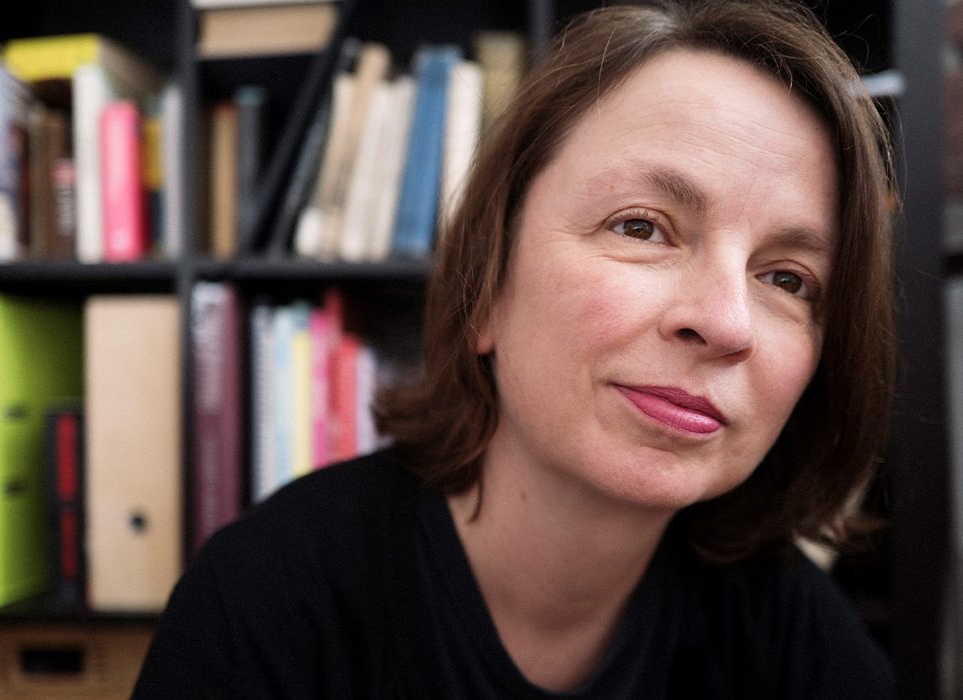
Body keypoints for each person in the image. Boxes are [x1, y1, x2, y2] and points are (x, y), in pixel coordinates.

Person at [133, 0, 897, 696]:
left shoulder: (803, 644)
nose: (728, 323)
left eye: (789, 280)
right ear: (487, 286)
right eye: (641, 227)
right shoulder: (263, 606)